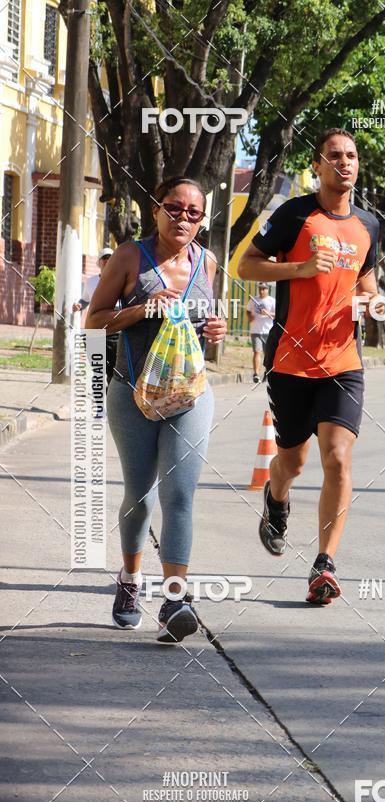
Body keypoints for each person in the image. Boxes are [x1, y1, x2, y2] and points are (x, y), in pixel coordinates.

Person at [238, 127, 380, 606]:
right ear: (317, 165)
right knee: (293, 461)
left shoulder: (368, 225)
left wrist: (372, 301)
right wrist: (298, 269)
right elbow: (247, 265)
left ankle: (324, 564)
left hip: (344, 360)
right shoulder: (295, 214)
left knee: (337, 456)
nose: (345, 163)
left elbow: (367, 282)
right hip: (290, 360)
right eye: (335, 156)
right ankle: (276, 498)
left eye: (352, 156)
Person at [86, 177, 226, 642]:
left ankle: (173, 600)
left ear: (203, 219)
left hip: (190, 395)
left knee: (180, 496)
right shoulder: (130, 256)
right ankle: (129, 580)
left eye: (194, 212)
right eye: (174, 208)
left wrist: (217, 331)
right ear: (155, 210)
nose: (183, 218)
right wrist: (142, 308)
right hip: (133, 392)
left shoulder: (208, 261)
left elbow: (207, 323)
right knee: (139, 496)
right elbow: (94, 320)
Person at [73, 248, 119, 383]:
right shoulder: (91, 281)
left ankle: (110, 399)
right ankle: (99, 401)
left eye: (110, 258)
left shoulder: (120, 279)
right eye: (104, 258)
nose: (107, 261)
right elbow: (86, 299)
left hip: (113, 332)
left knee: (113, 370)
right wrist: (79, 306)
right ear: (99, 262)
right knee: (98, 370)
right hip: (94, 331)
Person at [246, 282, 275, 383]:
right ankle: (256, 374)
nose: (262, 291)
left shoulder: (272, 301)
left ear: (267, 289)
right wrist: (250, 317)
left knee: (267, 354)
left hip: (268, 331)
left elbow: (277, 315)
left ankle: (267, 372)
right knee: (257, 352)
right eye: (260, 289)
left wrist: (268, 313)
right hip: (255, 330)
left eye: (264, 289)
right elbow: (248, 310)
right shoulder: (254, 300)